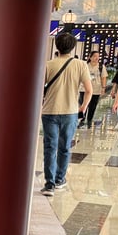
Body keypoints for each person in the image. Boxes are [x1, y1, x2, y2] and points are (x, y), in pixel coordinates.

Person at [40, 29, 91, 196]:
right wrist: (82, 107)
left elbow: (40, 89)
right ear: (73, 48)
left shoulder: (48, 64)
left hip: (49, 111)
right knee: (64, 147)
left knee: (50, 147)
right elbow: (89, 90)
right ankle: (60, 179)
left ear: (57, 47)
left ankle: (49, 184)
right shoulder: (81, 65)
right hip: (70, 112)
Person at [78, 50, 107, 129]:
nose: (96, 58)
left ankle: (89, 120)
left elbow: (103, 78)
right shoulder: (85, 65)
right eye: (94, 56)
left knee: (93, 106)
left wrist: (103, 88)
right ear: (90, 57)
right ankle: (81, 120)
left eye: (98, 56)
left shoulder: (101, 66)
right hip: (84, 88)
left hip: (96, 89)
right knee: (83, 104)